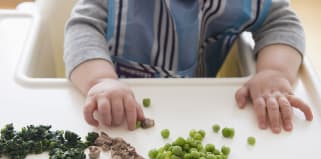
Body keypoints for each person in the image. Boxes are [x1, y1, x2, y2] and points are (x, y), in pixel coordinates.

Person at [64, 0, 313, 133]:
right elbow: (83, 28)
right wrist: (99, 80)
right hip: (117, 114)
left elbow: (280, 21)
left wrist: (274, 72)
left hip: (198, 107)